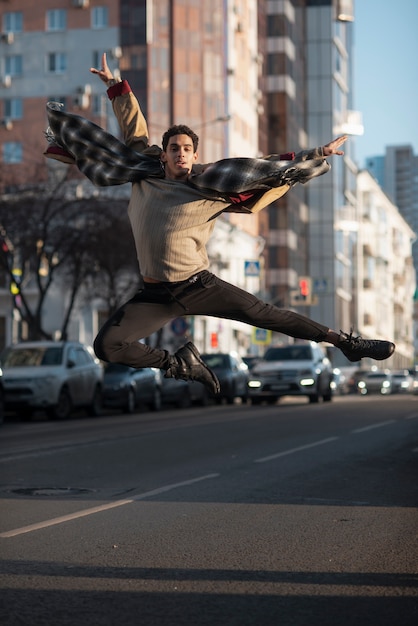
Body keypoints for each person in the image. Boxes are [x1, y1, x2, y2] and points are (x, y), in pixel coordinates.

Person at [45, 53, 395, 395]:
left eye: (186, 148)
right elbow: (134, 133)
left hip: (199, 285)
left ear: (195, 156)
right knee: (108, 345)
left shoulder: (211, 186)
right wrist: (117, 87)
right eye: (173, 148)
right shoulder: (143, 173)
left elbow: (265, 168)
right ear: (163, 153)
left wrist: (315, 155)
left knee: (268, 315)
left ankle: (346, 342)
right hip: (156, 294)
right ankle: (180, 364)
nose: (179, 152)